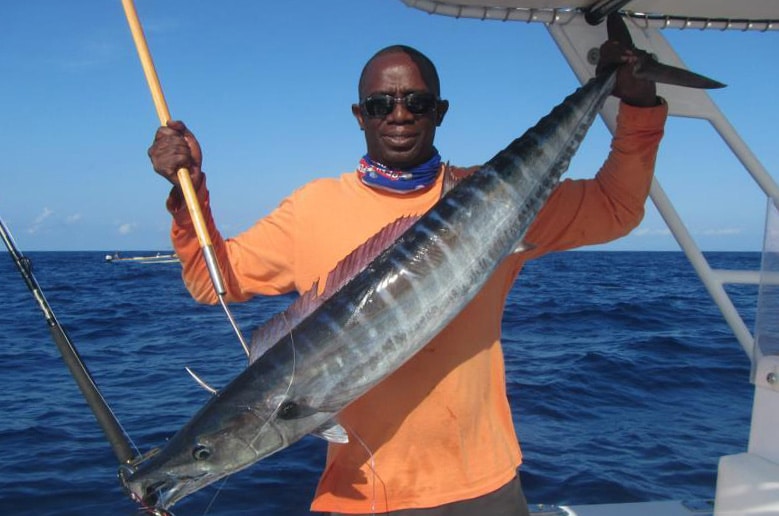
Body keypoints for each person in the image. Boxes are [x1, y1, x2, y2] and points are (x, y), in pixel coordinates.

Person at [148, 40, 666, 515]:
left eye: (416, 102)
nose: (398, 115)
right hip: (360, 497)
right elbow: (210, 279)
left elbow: (616, 207)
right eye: (380, 104)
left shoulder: (492, 197)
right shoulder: (313, 209)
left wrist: (638, 107)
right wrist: (188, 189)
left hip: (483, 488)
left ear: (439, 112)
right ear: (359, 115)